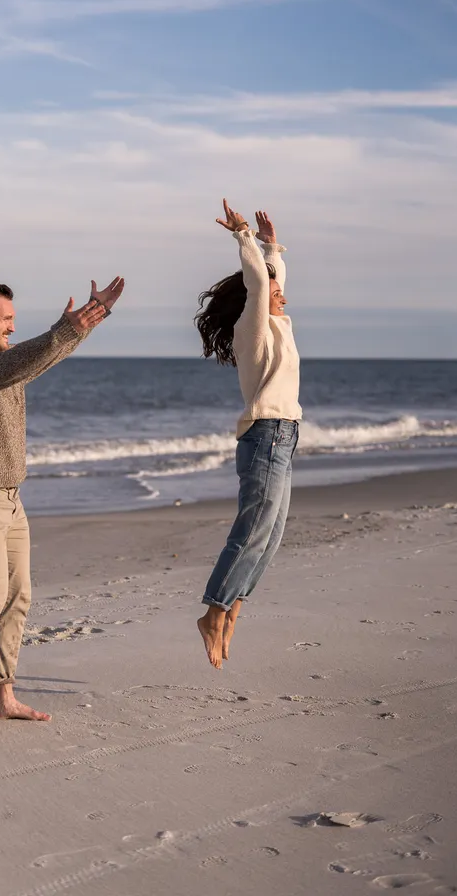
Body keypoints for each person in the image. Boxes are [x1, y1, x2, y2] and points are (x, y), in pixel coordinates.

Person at [0, 275, 124, 734]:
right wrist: (68, 328)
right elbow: (16, 363)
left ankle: (2, 695)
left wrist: (85, 324)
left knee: (17, 598)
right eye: (7, 317)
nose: (12, 326)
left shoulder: (4, 363)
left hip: (10, 497)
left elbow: (30, 362)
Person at [195, 199, 301, 669]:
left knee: (271, 536)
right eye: (275, 290)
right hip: (266, 437)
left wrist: (270, 245)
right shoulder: (251, 331)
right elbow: (260, 282)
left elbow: (270, 277)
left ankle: (233, 609)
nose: (282, 293)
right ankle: (214, 612)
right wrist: (244, 238)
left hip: (284, 437)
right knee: (252, 532)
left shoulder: (278, 326)